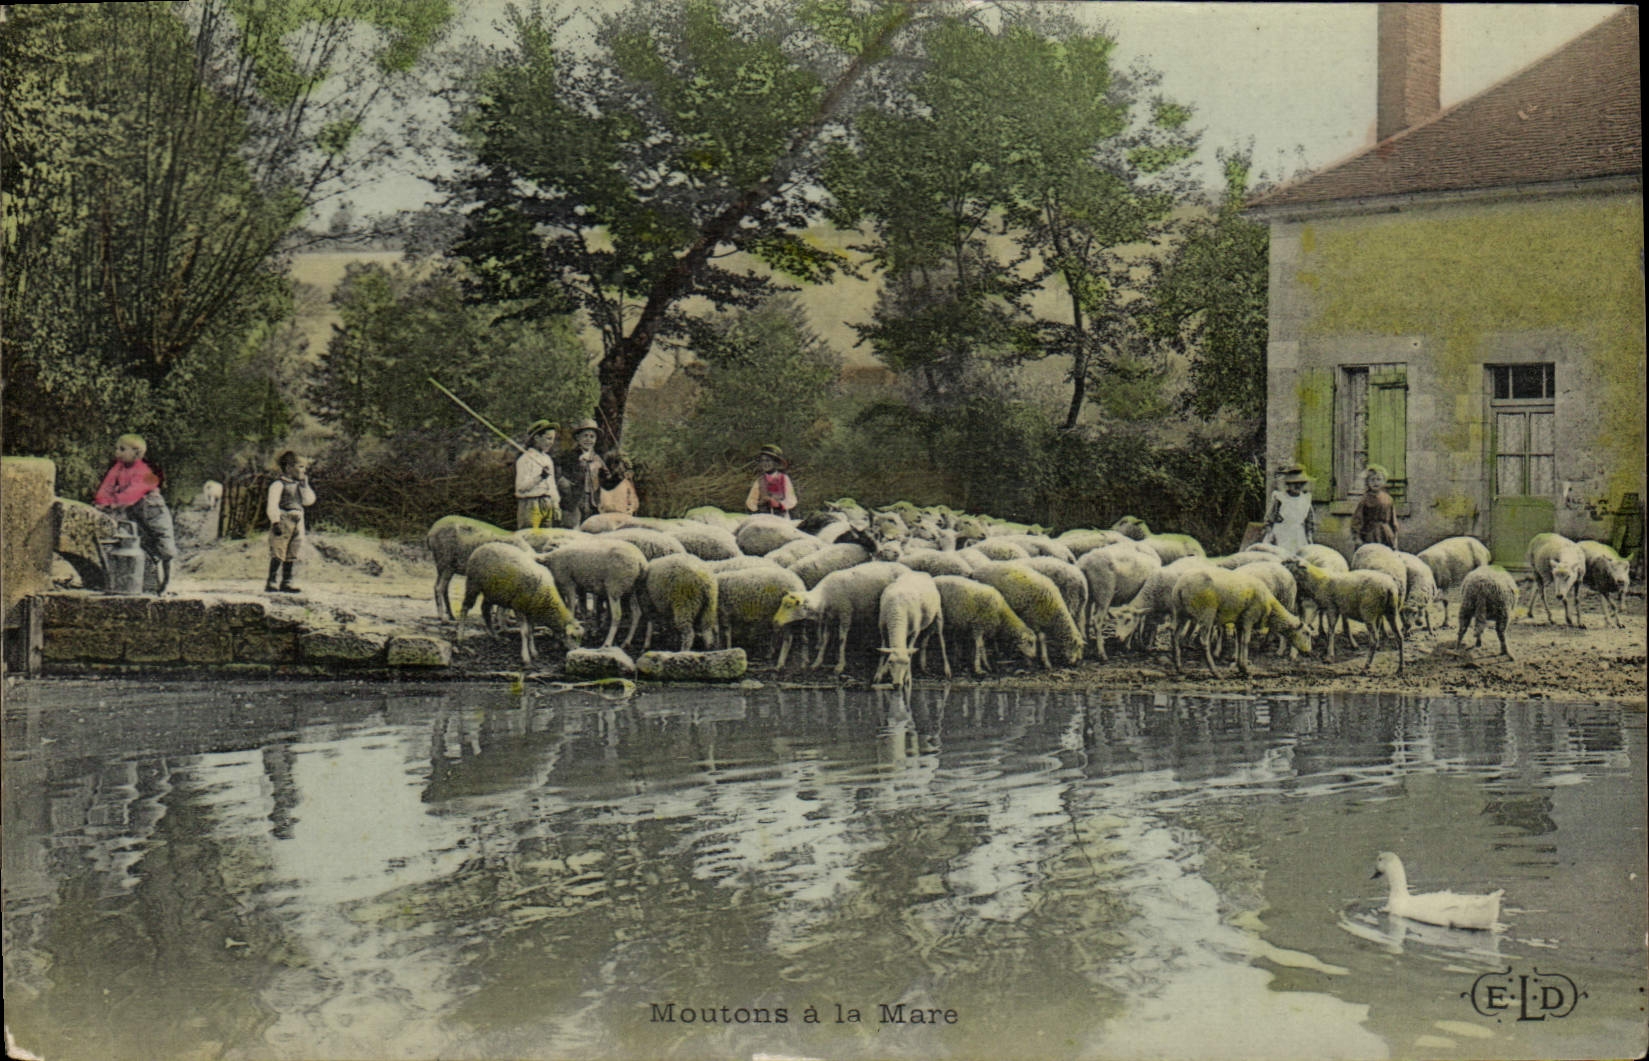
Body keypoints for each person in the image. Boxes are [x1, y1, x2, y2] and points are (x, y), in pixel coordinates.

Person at [93, 433, 178, 595]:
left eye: (122, 449)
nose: (117, 452)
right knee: (139, 545)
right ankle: (146, 583)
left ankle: (167, 582)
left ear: (137, 453)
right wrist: (102, 502)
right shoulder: (118, 467)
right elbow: (107, 487)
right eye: (117, 448)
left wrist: (114, 504)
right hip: (134, 512)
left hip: (154, 512)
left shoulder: (143, 471)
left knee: (166, 548)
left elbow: (133, 493)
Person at [264, 450, 316, 593]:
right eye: (300, 467)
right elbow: (272, 504)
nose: (303, 470)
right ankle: (272, 580)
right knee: (279, 549)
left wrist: (305, 486)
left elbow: (308, 501)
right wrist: (275, 521)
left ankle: (287, 581)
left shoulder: (300, 486)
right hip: (284, 517)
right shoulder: (279, 484)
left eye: (304, 467)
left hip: (298, 518)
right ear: (288, 468)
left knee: (294, 548)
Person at [515, 420, 561, 530]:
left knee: (546, 538)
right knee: (530, 536)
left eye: (553, 439)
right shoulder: (525, 459)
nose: (551, 442)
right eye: (548, 438)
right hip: (531, 504)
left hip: (547, 502)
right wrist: (540, 477)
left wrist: (556, 504)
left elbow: (552, 485)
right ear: (536, 438)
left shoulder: (547, 459)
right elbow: (521, 487)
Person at [560, 418, 606, 528]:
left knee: (592, 530)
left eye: (592, 436)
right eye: (585, 436)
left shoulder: (597, 459)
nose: (588, 440)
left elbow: (606, 478)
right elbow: (562, 479)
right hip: (575, 501)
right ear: (578, 438)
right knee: (573, 529)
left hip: (593, 502)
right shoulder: (570, 456)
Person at [1262, 465, 1317, 554]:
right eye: (1294, 483)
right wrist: (1270, 534)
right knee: (1279, 556)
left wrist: (1309, 535)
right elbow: (1269, 519)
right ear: (1288, 484)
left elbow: (1310, 521)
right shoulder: (1280, 498)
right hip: (1281, 534)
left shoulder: (1305, 499)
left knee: (1299, 558)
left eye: (1301, 483)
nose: (1298, 486)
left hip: (1298, 535)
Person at [1350, 464, 1399, 548]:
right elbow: (1357, 520)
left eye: (1378, 479)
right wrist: (1357, 537)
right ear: (1368, 482)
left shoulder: (1388, 499)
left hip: (1386, 534)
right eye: (1372, 480)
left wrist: (1395, 537)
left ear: (1384, 481)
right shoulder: (1365, 499)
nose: (1375, 482)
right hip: (1370, 533)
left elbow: (1393, 520)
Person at [746, 444, 797, 518]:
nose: (765, 464)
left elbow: (792, 499)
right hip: (763, 517)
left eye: (768, 460)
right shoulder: (759, 481)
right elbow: (750, 501)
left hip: (780, 517)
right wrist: (759, 505)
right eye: (762, 461)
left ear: (776, 462)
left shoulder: (784, 478)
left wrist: (779, 504)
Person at [596, 451, 640, 516]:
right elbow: (634, 504)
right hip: (612, 517)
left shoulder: (625, 483)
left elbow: (634, 503)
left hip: (615, 517)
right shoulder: (625, 483)